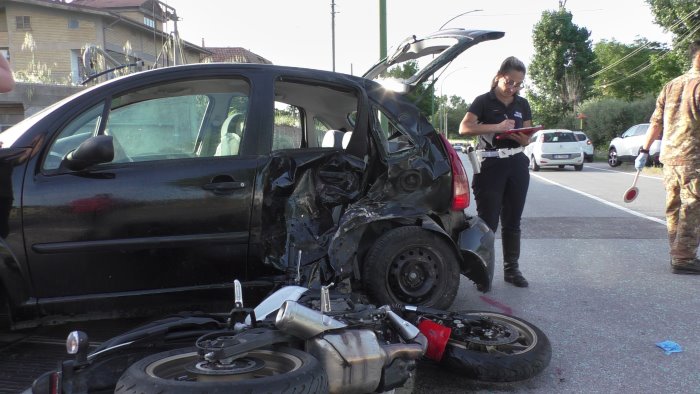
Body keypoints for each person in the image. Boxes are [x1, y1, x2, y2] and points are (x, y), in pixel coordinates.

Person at [459, 56, 532, 287]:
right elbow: (465, 127)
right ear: (499, 76)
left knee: (513, 220)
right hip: (490, 165)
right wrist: (497, 127)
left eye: (518, 84)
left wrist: (522, 137)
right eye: (509, 82)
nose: (513, 88)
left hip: (517, 163)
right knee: (487, 222)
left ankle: (512, 270)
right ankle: (482, 273)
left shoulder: (522, 104)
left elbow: (527, 136)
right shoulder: (483, 100)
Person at [635, 40, 700, 275]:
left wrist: (644, 150)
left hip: (670, 158)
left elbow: (655, 123)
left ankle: (677, 252)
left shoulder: (671, 85)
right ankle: (683, 257)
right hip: (694, 159)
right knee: (692, 207)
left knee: (673, 207)